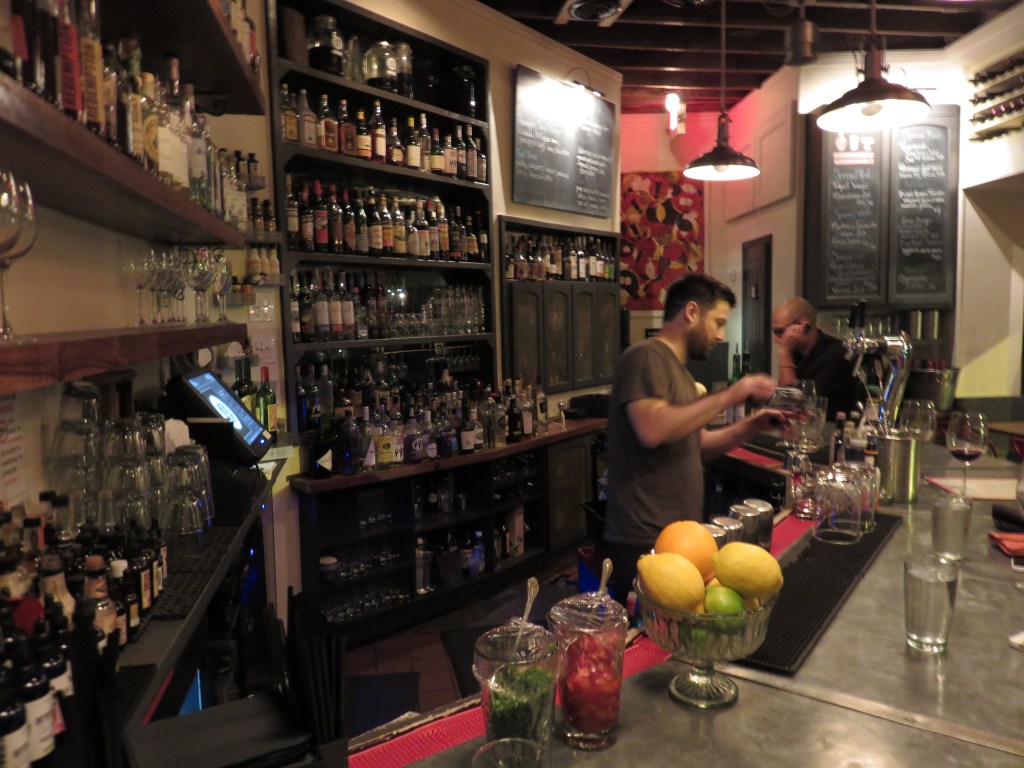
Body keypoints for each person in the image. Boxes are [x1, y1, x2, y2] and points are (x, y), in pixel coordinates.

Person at [603, 273, 788, 602]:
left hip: (679, 537)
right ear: (691, 312)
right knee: (650, 640)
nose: (720, 335)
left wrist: (753, 425)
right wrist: (731, 395)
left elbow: (698, 445)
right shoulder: (644, 356)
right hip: (644, 539)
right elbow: (652, 429)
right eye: (717, 322)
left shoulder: (682, 376)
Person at [771, 297, 859, 420]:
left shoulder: (838, 354)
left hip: (833, 433)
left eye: (779, 332)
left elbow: (793, 404)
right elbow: (781, 401)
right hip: (804, 431)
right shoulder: (797, 353)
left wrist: (785, 352)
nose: (776, 339)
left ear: (803, 325)